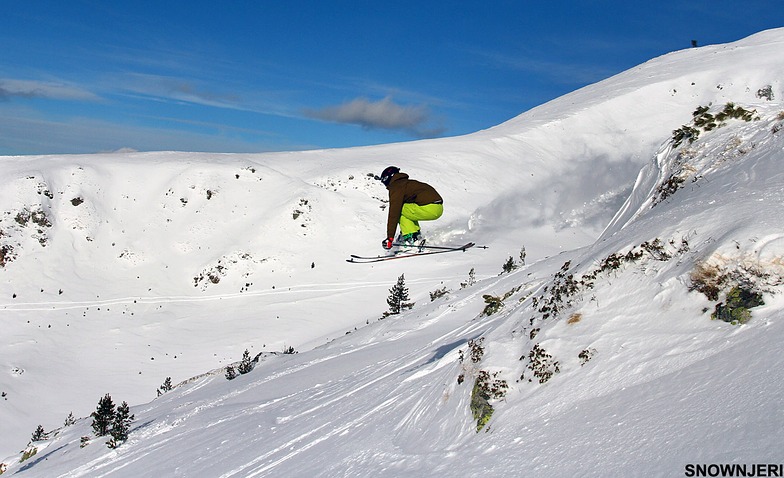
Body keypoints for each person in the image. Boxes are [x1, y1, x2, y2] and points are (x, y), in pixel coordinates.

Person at [378, 166, 443, 250]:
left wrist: (390, 237)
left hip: (429, 207)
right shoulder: (406, 183)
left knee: (400, 209)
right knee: (406, 209)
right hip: (437, 208)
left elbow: (394, 213)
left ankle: (411, 239)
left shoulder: (396, 186)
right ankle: (415, 236)